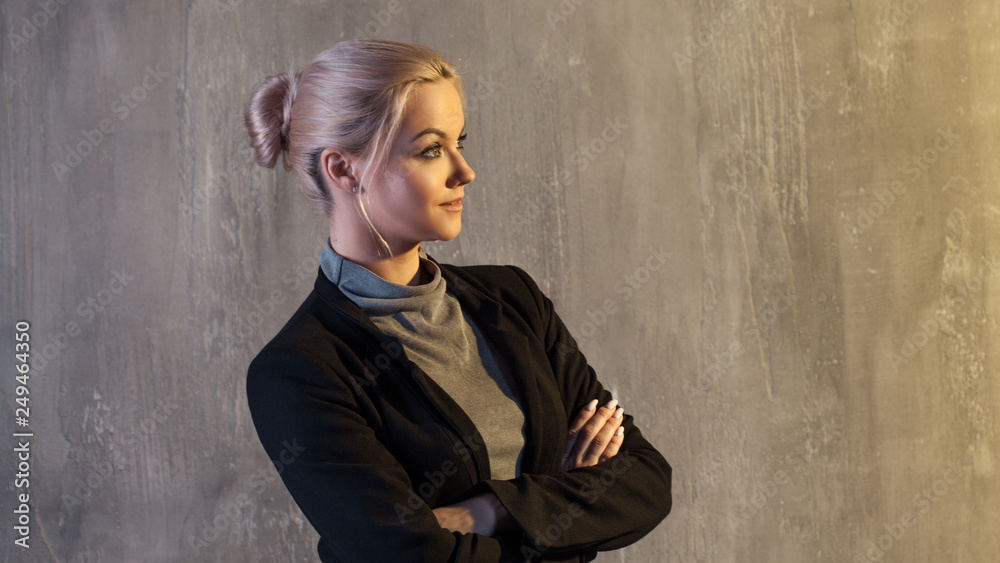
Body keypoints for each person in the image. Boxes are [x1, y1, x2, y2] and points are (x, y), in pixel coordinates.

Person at [243, 39, 671, 562]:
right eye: (430, 149)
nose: (464, 171)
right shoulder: (298, 372)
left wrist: (486, 511)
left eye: (459, 142)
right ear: (343, 170)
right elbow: (410, 556)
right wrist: (565, 509)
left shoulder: (513, 299)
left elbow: (646, 482)